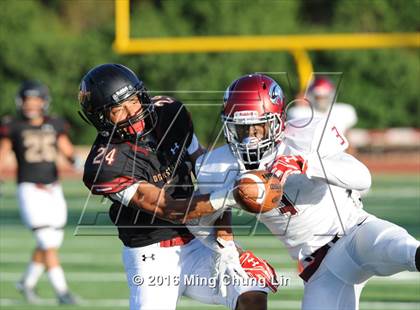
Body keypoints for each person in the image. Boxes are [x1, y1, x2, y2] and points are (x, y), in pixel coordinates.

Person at [193, 74, 420, 310]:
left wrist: (305, 163)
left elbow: (363, 177)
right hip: (319, 266)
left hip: (355, 232)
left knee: (402, 249)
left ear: (277, 122)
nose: (250, 137)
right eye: (241, 129)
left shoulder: (305, 136)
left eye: (258, 127)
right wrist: (232, 253)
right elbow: (200, 222)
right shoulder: (217, 165)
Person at [79, 64, 277, 310]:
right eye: (118, 109)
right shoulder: (106, 165)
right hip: (152, 253)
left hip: (198, 238)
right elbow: (169, 208)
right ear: (101, 118)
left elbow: (205, 170)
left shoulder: (170, 112)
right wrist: (231, 196)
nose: (131, 113)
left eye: (133, 101)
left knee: (251, 292)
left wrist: (225, 239)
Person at [0, 81, 77, 304]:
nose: (31, 104)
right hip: (29, 189)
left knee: (51, 241)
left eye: (35, 99)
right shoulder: (13, 125)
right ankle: (62, 291)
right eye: (27, 99)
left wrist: (83, 164)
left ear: (44, 101)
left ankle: (26, 283)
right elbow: (3, 153)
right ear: (20, 102)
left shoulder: (55, 124)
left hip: (54, 188)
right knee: (46, 240)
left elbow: (69, 152)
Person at [287, 76, 358, 135]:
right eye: (318, 97)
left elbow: (347, 134)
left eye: (324, 97)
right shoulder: (299, 113)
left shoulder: (344, 111)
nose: (322, 101)